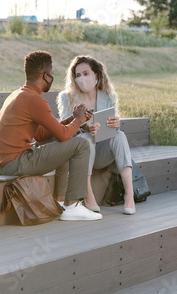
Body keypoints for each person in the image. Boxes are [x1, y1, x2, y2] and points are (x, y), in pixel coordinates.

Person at [0, 50, 102, 221]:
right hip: (16, 163)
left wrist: (73, 118)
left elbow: (42, 135)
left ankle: (61, 201)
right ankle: (72, 207)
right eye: (51, 73)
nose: (52, 77)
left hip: (7, 163)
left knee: (68, 142)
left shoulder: (21, 95)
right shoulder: (34, 100)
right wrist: (79, 120)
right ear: (45, 76)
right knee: (80, 145)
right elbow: (63, 135)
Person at [57, 55, 135, 215]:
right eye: (77, 75)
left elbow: (113, 129)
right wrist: (84, 126)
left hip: (102, 151)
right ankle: (88, 195)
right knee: (86, 139)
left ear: (96, 76)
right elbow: (64, 129)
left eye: (86, 73)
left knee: (120, 136)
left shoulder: (108, 97)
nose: (81, 78)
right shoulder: (66, 97)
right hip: (80, 154)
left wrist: (116, 124)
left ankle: (129, 195)